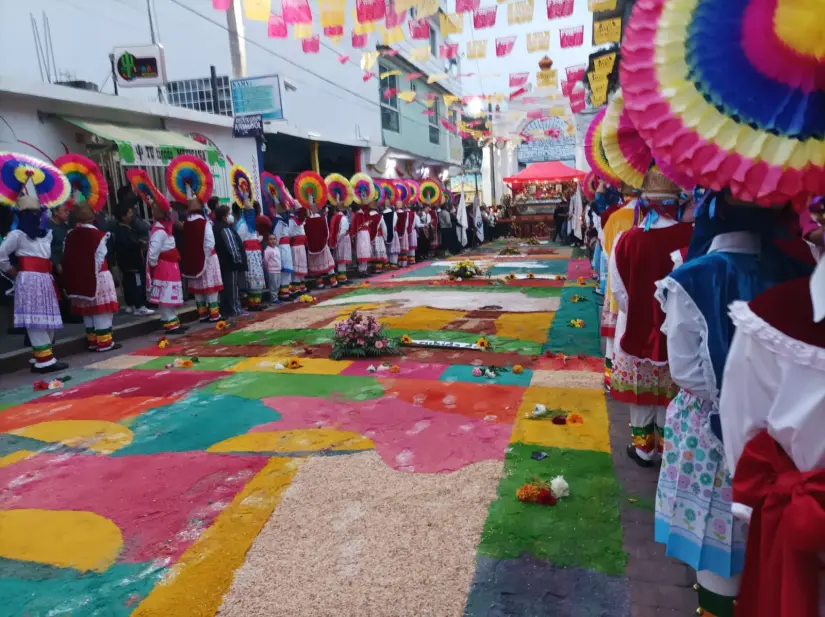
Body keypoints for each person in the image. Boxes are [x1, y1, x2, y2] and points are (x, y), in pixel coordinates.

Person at [654, 196, 813, 614]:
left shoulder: (693, 277)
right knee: (770, 547)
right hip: (789, 444)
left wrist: (729, 396)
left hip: (712, 434)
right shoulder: (801, 274)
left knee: (717, 543)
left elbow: (685, 372)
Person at [609, 168, 694, 466]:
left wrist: (640, 312)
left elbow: (619, 293)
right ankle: (671, 447)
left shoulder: (626, 240)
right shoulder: (692, 236)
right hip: (680, 331)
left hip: (637, 327)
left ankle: (644, 449)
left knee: (641, 392)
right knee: (674, 391)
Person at [0, 192, 68, 373]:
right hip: (29, 279)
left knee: (47, 318)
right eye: (31, 213)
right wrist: (10, 269)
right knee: (36, 320)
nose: (36, 217)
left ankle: (41, 357)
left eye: (37, 213)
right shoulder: (17, 235)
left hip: (45, 279)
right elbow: (1, 254)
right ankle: (45, 360)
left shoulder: (46, 234)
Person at [62, 192, 120, 352]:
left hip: (80, 278)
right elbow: (100, 257)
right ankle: (105, 342)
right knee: (102, 310)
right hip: (98, 275)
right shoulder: (98, 235)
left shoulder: (70, 234)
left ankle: (92, 340)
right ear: (93, 217)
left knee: (87, 311)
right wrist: (93, 273)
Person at [146, 197, 186, 334]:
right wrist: (155, 265)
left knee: (170, 295)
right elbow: (153, 254)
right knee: (166, 296)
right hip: (165, 267)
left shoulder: (164, 229)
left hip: (170, 266)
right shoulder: (160, 232)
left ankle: (172, 320)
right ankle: (170, 323)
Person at [181, 195, 223, 322]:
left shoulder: (186, 223)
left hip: (194, 259)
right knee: (210, 288)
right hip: (208, 259)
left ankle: (203, 314)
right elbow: (210, 242)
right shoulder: (205, 223)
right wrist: (205, 256)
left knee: (198, 289)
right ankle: (214, 314)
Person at [114, 202, 153, 316]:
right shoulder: (122, 230)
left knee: (129, 283)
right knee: (136, 284)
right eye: (129, 213)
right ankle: (139, 305)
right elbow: (129, 245)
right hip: (132, 264)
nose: (132, 215)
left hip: (128, 264)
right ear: (123, 216)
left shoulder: (125, 229)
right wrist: (140, 244)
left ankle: (130, 304)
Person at [213, 204, 247, 317]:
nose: (230, 216)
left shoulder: (216, 226)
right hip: (230, 263)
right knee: (232, 288)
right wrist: (238, 260)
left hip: (223, 262)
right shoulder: (225, 228)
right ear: (224, 217)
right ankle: (235, 310)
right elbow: (231, 246)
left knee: (226, 288)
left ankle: (227, 310)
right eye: (228, 214)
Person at [234, 199, 266, 309]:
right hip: (250, 254)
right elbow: (241, 241)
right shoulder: (242, 225)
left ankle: (255, 302)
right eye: (250, 212)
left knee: (256, 276)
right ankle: (253, 303)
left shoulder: (247, 224)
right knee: (253, 277)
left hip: (254, 253)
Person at [305, 199, 337, 289]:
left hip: (312, 246)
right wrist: (324, 242)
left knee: (316, 265)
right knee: (328, 264)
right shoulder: (322, 218)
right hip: (322, 244)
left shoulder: (307, 220)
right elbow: (326, 232)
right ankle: (333, 282)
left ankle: (320, 284)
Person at [272, 200, 294, 300]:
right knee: (284, 271)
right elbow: (276, 238)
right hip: (282, 247)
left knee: (288, 270)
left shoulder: (284, 220)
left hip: (286, 247)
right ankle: (283, 293)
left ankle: (287, 291)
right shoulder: (278, 221)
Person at [329, 198, 351, 284]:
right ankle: (342, 278)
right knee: (342, 258)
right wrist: (338, 239)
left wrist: (335, 240)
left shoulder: (334, 217)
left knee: (339, 258)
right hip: (343, 240)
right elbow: (343, 231)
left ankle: (341, 276)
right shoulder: (343, 218)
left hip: (338, 240)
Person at [288, 205, 309, 294]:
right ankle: (295, 288)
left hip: (301, 247)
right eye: (303, 215)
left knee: (301, 266)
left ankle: (302, 286)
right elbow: (289, 233)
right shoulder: (292, 221)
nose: (304, 217)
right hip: (295, 247)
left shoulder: (301, 222)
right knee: (296, 267)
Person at [351, 203, 372, 276]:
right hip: (366, 234)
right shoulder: (364, 214)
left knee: (361, 251)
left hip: (360, 234)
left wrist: (353, 236)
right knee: (365, 251)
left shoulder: (357, 215)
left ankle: (361, 270)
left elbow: (354, 227)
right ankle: (364, 270)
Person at [368, 200, 388, 272]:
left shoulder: (366, 216)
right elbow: (384, 228)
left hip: (368, 237)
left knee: (372, 252)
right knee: (379, 252)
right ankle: (378, 268)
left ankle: (371, 267)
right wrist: (386, 238)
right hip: (378, 236)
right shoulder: (380, 217)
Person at [263, 234, 282, 303]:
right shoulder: (267, 250)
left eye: (274, 239)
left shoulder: (277, 248)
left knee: (277, 285)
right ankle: (274, 299)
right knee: (273, 285)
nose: (273, 241)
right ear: (268, 241)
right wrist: (268, 269)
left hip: (278, 270)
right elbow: (265, 261)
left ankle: (276, 297)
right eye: (270, 239)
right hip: (271, 271)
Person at [383, 200, 399, 269]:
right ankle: (393, 264)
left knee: (386, 249)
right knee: (393, 249)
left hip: (385, 232)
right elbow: (394, 223)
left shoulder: (382, 213)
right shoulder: (394, 213)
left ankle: (387, 263)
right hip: (393, 232)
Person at [396, 200, 409, 267]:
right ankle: (403, 263)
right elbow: (406, 224)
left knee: (398, 247)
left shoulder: (395, 213)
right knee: (403, 248)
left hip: (396, 232)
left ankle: (398, 262)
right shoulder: (405, 213)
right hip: (404, 231)